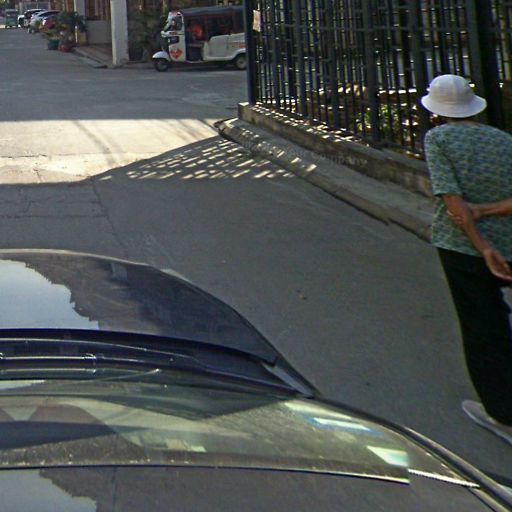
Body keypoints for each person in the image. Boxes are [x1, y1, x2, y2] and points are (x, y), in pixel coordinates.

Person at [421, 74, 512, 445]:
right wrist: (491, 212)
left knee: (483, 326)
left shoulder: (438, 139)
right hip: (510, 241)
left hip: (461, 247)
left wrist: (482, 245)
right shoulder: (503, 140)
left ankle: (503, 412)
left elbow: (453, 203)